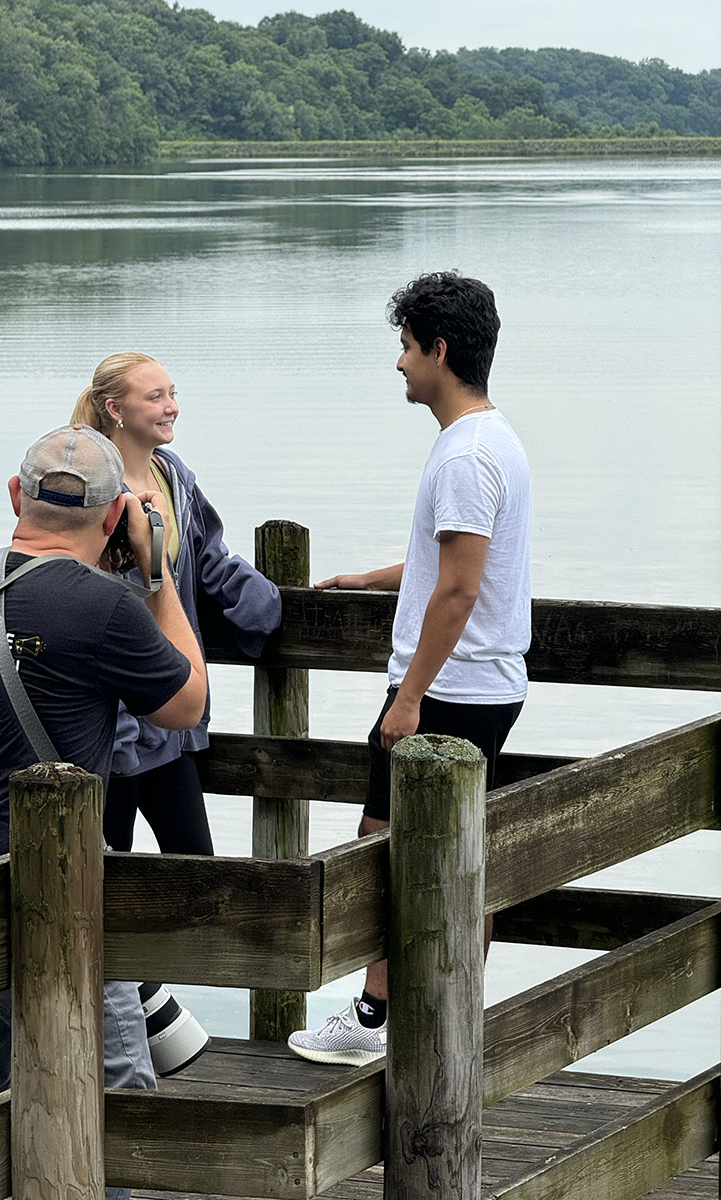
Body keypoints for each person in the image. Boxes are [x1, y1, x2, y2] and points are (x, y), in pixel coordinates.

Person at [0, 424, 206, 1199]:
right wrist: (156, 573)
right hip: (47, 895)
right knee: (114, 1089)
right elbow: (188, 704)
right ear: (111, 517)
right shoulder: (104, 608)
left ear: (14, 496)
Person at [287, 271, 531, 1066]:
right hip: (486, 684)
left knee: (384, 854)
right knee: (461, 860)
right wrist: (376, 578)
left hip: (448, 689)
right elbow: (454, 566)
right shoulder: (495, 440)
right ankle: (452, 1017)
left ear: (440, 349)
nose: (398, 363)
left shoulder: (463, 455)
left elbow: (460, 590)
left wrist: (409, 698)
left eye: (404, 346)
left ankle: (370, 1020)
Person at [71, 353, 281, 856]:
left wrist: (263, 605)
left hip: (170, 718)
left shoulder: (172, 475)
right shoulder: (94, 492)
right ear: (114, 408)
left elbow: (207, 556)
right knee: (100, 879)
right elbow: (79, 594)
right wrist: (117, 732)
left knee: (198, 871)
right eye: (156, 397)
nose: (172, 407)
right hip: (113, 729)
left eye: (173, 393)